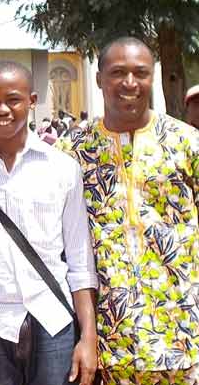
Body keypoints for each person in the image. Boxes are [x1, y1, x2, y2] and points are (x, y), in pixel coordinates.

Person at [0, 61, 98, 385]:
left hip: (53, 321)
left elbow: (80, 261)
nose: (2, 109)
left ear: (32, 100)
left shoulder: (61, 169)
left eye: (13, 99)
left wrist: (88, 337)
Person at [58, 37, 199, 384]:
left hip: (183, 336)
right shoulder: (70, 151)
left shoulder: (186, 143)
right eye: (118, 73)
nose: (130, 83)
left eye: (141, 73)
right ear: (99, 79)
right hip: (108, 344)